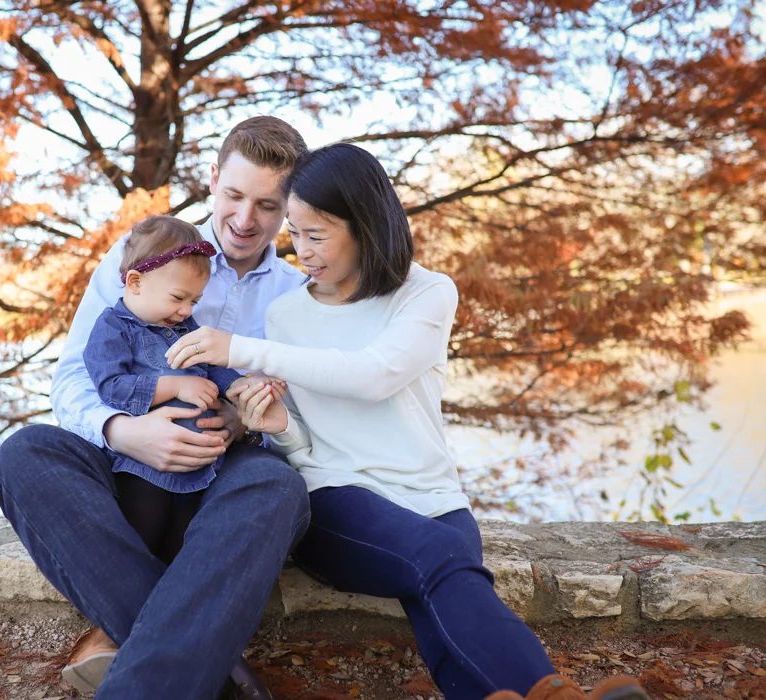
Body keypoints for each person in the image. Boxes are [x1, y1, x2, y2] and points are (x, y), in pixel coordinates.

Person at [167, 143, 650, 700]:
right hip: (337, 499)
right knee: (442, 561)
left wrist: (239, 348)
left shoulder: (426, 293)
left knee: (442, 607)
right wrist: (277, 423)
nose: (302, 252)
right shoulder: (286, 314)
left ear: (365, 225)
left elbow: (374, 375)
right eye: (294, 234)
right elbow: (301, 440)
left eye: (316, 235)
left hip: (435, 499)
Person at [0, 116, 310, 700]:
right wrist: (124, 430)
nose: (245, 220)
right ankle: (216, 673)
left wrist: (246, 421)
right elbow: (73, 378)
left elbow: (305, 414)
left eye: (267, 205)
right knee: (25, 453)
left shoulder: (297, 294)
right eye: (235, 195)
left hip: (224, 463)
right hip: (128, 463)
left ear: (290, 205)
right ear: (213, 179)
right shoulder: (142, 255)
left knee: (278, 490)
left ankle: (123, 641)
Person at [83, 215, 247, 563]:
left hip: (201, 467)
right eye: (178, 298)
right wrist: (174, 384)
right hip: (145, 469)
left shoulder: (186, 325)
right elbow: (111, 386)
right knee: (143, 541)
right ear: (136, 282)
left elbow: (214, 364)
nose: (186, 310)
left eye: (194, 301)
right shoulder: (114, 328)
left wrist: (240, 389)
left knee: (182, 546)